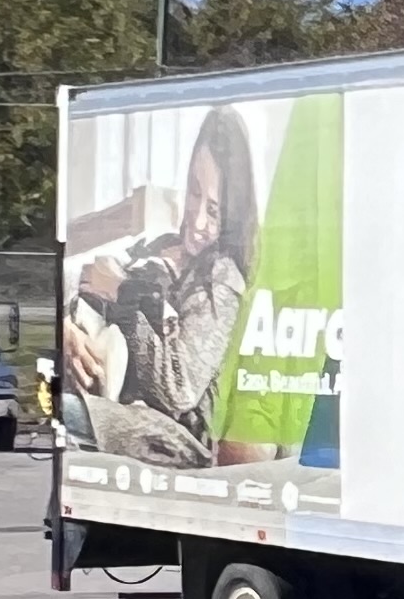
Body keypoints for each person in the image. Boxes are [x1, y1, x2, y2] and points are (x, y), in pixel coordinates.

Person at [64, 104, 261, 465]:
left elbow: (179, 389)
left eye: (214, 210)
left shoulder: (222, 277)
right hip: (112, 401)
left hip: (166, 436)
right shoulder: (161, 245)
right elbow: (83, 280)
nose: (198, 220)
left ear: (233, 213)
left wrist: (122, 293)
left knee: (60, 415)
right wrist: (66, 329)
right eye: (194, 193)